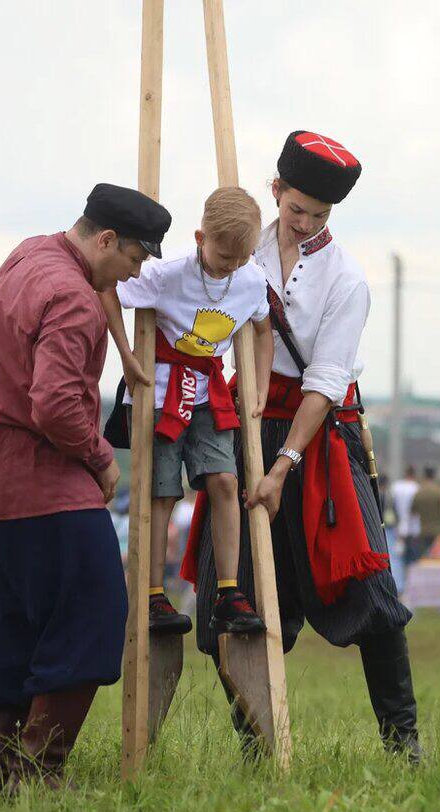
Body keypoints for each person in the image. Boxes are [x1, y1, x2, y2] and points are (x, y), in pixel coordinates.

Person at [184, 131, 422, 761]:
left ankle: (405, 747)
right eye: (296, 209)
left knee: (370, 592)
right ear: (276, 192)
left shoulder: (348, 280)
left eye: (319, 215)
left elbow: (324, 382)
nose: (305, 223)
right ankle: (257, 749)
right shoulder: (246, 248)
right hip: (244, 422)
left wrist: (284, 464)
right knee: (231, 595)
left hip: (319, 439)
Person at [0, 183, 169, 792]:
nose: (131, 277)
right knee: (94, 612)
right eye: (132, 260)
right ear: (106, 240)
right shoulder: (73, 297)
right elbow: (52, 404)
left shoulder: (30, 255)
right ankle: (38, 770)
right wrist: (102, 457)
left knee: (15, 622)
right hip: (36, 471)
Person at [102, 186, 274, 636]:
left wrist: (262, 383)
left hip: (209, 391)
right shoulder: (165, 274)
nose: (231, 268)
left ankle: (229, 592)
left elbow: (262, 330)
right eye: (223, 258)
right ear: (201, 237)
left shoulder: (252, 278)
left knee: (224, 480)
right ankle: (154, 594)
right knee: (161, 491)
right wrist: (124, 351)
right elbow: (105, 287)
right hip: (160, 393)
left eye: (242, 258)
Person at [410, 467, 440, 568]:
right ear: (434, 476)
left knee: (424, 562)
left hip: (424, 531)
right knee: (438, 562)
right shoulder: (439, 492)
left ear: (424, 476)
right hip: (438, 533)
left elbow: (413, 512)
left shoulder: (419, 493)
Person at [389, 466, 421, 587]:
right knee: (412, 559)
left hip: (398, 528)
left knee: (398, 558)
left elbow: (391, 506)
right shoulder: (416, 488)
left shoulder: (396, 487)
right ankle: (410, 585)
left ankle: (399, 584)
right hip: (413, 529)